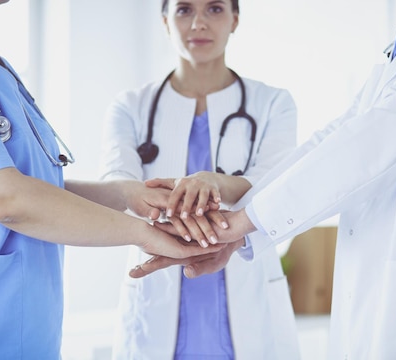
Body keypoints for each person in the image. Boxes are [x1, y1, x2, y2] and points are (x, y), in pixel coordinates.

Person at [132, 0, 396, 358]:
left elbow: (388, 131)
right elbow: (343, 132)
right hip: (376, 292)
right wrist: (245, 225)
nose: (199, 21)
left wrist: (243, 222)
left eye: (214, 7)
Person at [0, 1, 222, 358]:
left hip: (23, 331)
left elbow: (35, 186)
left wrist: (124, 194)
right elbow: (5, 199)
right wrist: (143, 233)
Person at [99, 0, 300, 358]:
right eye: (184, 10)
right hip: (158, 298)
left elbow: (277, 182)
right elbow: (119, 183)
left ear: (235, 19)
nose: (198, 24)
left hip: (246, 289)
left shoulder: (273, 103)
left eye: (215, 9)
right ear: (165, 21)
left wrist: (215, 182)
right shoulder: (130, 106)